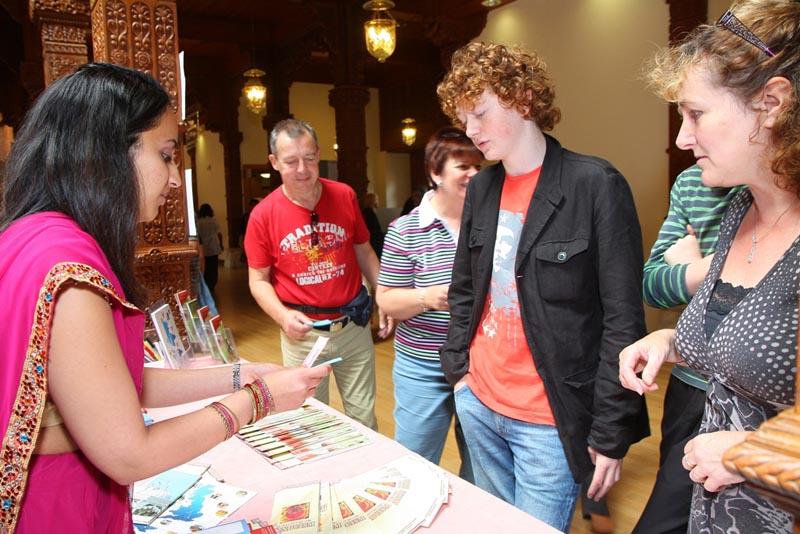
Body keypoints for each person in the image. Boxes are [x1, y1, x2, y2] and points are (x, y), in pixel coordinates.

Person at [0, 63, 330, 533]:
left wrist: (239, 374)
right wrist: (257, 399)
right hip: (57, 508)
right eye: (167, 155)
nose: (175, 180)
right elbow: (129, 453)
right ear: (106, 154)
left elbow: (114, 386)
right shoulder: (68, 266)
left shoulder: (32, 236)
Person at [437, 42, 649, 531]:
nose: (470, 130)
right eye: (463, 117)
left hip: (550, 421)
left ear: (524, 100)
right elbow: (465, 290)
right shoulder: (484, 189)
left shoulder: (595, 184)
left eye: (481, 113)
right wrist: (459, 375)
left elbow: (622, 320)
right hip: (479, 399)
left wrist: (611, 430)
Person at [620, 2, 800, 532]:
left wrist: (753, 452)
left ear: (771, 103)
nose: (682, 137)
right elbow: (754, 340)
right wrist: (671, 342)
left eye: (696, 113)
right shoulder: (741, 208)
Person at [244, 118, 393, 430]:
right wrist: (283, 316)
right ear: (274, 162)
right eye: (291, 161)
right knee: (310, 420)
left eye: (310, 158)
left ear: (319, 155)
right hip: (303, 334)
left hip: (353, 326)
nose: (303, 169)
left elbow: (363, 250)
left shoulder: (345, 196)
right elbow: (258, 281)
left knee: (364, 420)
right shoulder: (263, 216)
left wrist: (385, 296)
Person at [634, 165, 741, 534]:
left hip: (756, 395)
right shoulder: (691, 182)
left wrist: (694, 269)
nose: (684, 139)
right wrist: (698, 273)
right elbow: (652, 285)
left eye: (698, 114)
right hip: (690, 383)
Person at [376, 127, 481, 483]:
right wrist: (427, 297)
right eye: (463, 166)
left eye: (478, 166)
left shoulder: (491, 223)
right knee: (414, 463)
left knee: (482, 468)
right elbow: (386, 299)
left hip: (480, 365)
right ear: (435, 173)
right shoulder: (405, 230)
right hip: (423, 365)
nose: (474, 174)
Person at [197, 202, 223, 295]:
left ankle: (206, 283)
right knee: (213, 266)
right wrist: (221, 244)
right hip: (213, 245)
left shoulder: (199, 222)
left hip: (204, 245)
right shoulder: (213, 220)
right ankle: (212, 283)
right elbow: (218, 232)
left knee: (206, 266)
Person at [361, 192, 385, 258]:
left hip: (372, 240)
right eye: (376, 199)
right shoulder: (370, 213)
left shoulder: (365, 212)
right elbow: (373, 230)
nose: (377, 201)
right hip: (374, 241)